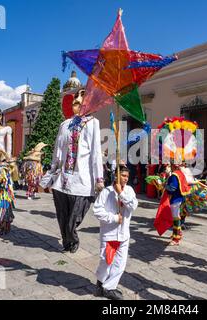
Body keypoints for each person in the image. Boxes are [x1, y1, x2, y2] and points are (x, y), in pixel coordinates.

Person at [49, 90, 104, 253]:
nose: (78, 106)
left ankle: (72, 237)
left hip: (82, 179)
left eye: (82, 103)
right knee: (62, 215)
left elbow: (96, 152)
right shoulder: (64, 125)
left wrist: (99, 178)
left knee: (74, 217)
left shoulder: (93, 123)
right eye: (75, 103)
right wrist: (52, 173)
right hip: (62, 179)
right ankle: (68, 242)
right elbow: (57, 151)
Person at [94, 165, 138, 300]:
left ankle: (109, 288)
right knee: (106, 260)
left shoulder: (129, 190)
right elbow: (97, 211)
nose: (125, 179)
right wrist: (113, 218)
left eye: (127, 177)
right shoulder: (106, 192)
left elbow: (133, 206)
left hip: (124, 234)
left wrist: (121, 193)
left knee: (120, 263)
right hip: (110, 234)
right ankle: (101, 283)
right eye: (123, 176)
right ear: (116, 176)